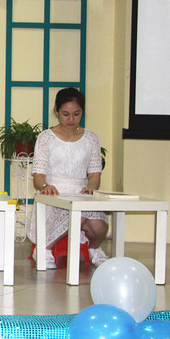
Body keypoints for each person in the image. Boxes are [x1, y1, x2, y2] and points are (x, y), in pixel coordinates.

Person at [27, 87, 109, 268]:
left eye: (76, 114)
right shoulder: (46, 137)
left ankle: (94, 248)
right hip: (53, 195)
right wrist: (45, 186)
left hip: (81, 194)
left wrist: (91, 187)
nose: (71, 119)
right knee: (73, 214)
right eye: (66, 114)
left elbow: (94, 174)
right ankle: (44, 248)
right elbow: (38, 176)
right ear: (56, 111)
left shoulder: (91, 138)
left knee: (99, 224)